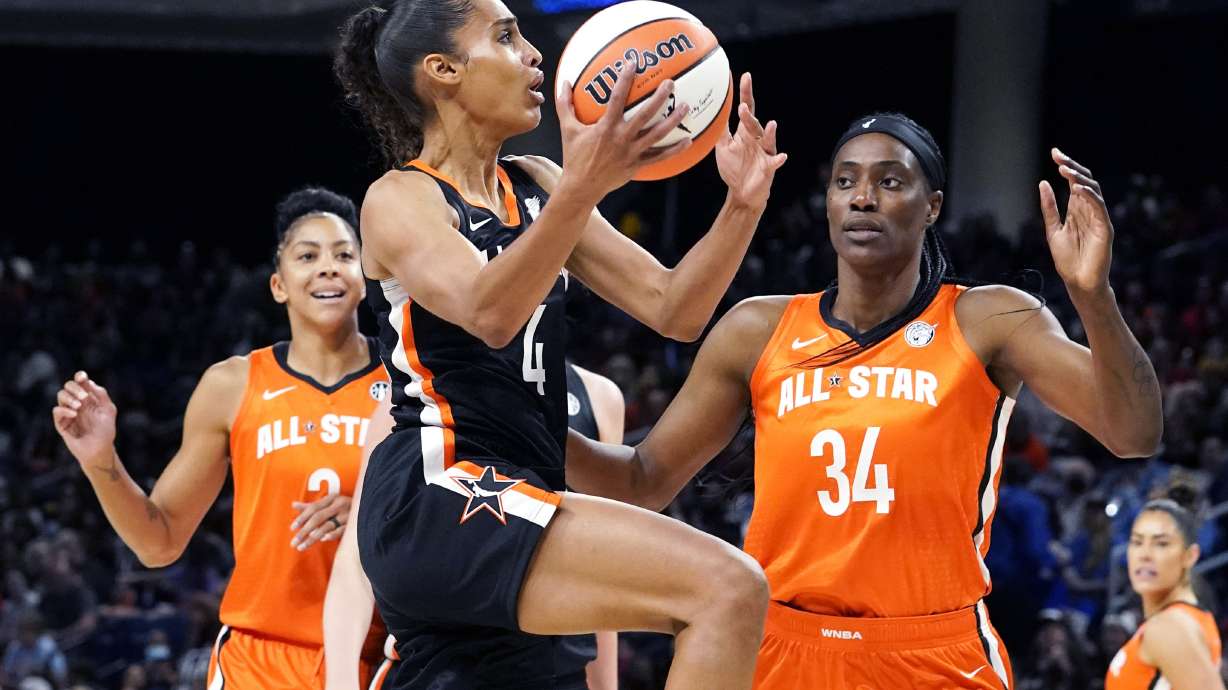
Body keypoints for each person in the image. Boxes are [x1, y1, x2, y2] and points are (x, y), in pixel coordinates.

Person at [565, 113, 1164, 689]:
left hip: (935, 652)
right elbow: (640, 481)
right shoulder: (756, 329)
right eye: (844, 181)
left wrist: (1094, 297)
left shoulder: (991, 319)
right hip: (779, 647)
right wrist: (519, 410)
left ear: (932, 207)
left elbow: (1134, 433)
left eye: (891, 181)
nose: (862, 197)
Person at [333, 0, 786, 686]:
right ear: (444, 71)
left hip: (520, 480)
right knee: (727, 589)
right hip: (439, 491)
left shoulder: (539, 186)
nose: (535, 54)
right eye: (507, 37)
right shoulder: (400, 199)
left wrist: (742, 205)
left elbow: (675, 309)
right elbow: (489, 313)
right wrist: (585, 184)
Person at [50, 188, 389, 689]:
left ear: (365, 277)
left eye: (344, 254)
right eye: (307, 255)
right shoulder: (232, 385)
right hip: (258, 661)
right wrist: (101, 460)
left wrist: (372, 513)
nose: (328, 268)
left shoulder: (410, 379)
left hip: (380, 658)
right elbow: (158, 542)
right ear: (279, 284)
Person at [322, 362, 625, 690]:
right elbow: (355, 562)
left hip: (559, 671)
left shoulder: (599, 397)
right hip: (442, 670)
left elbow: (605, 577)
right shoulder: (413, 394)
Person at [1105, 487, 1224, 690]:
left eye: (1161, 544)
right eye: (1137, 542)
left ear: (1189, 556)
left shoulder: (1172, 628)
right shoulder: (1167, 624)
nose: (1145, 554)